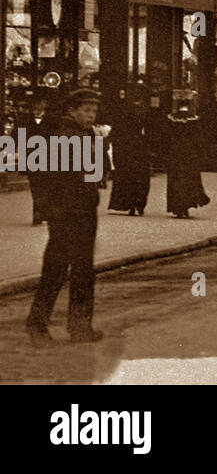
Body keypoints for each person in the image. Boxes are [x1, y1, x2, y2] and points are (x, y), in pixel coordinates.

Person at [27, 87, 105, 345]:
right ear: (72, 111)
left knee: (82, 269)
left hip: (83, 209)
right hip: (65, 211)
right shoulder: (62, 135)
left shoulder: (85, 133)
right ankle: (39, 324)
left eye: (94, 110)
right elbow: (50, 177)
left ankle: (80, 326)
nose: (91, 115)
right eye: (86, 110)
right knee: (57, 268)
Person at [106, 85, 150, 217]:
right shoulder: (143, 110)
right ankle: (138, 203)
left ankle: (126, 203)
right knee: (139, 176)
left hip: (124, 146)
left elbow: (116, 128)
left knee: (124, 175)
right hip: (138, 146)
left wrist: (111, 140)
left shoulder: (122, 110)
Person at [165, 95, 210, 219]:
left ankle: (178, 206)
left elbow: (167, 137)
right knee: (189, 179)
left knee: (176, 179)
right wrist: (201, 154)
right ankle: (187, 206)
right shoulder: (194, 119)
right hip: (190, 153)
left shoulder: (171, 118)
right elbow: (199, 138)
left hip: (175, 152)